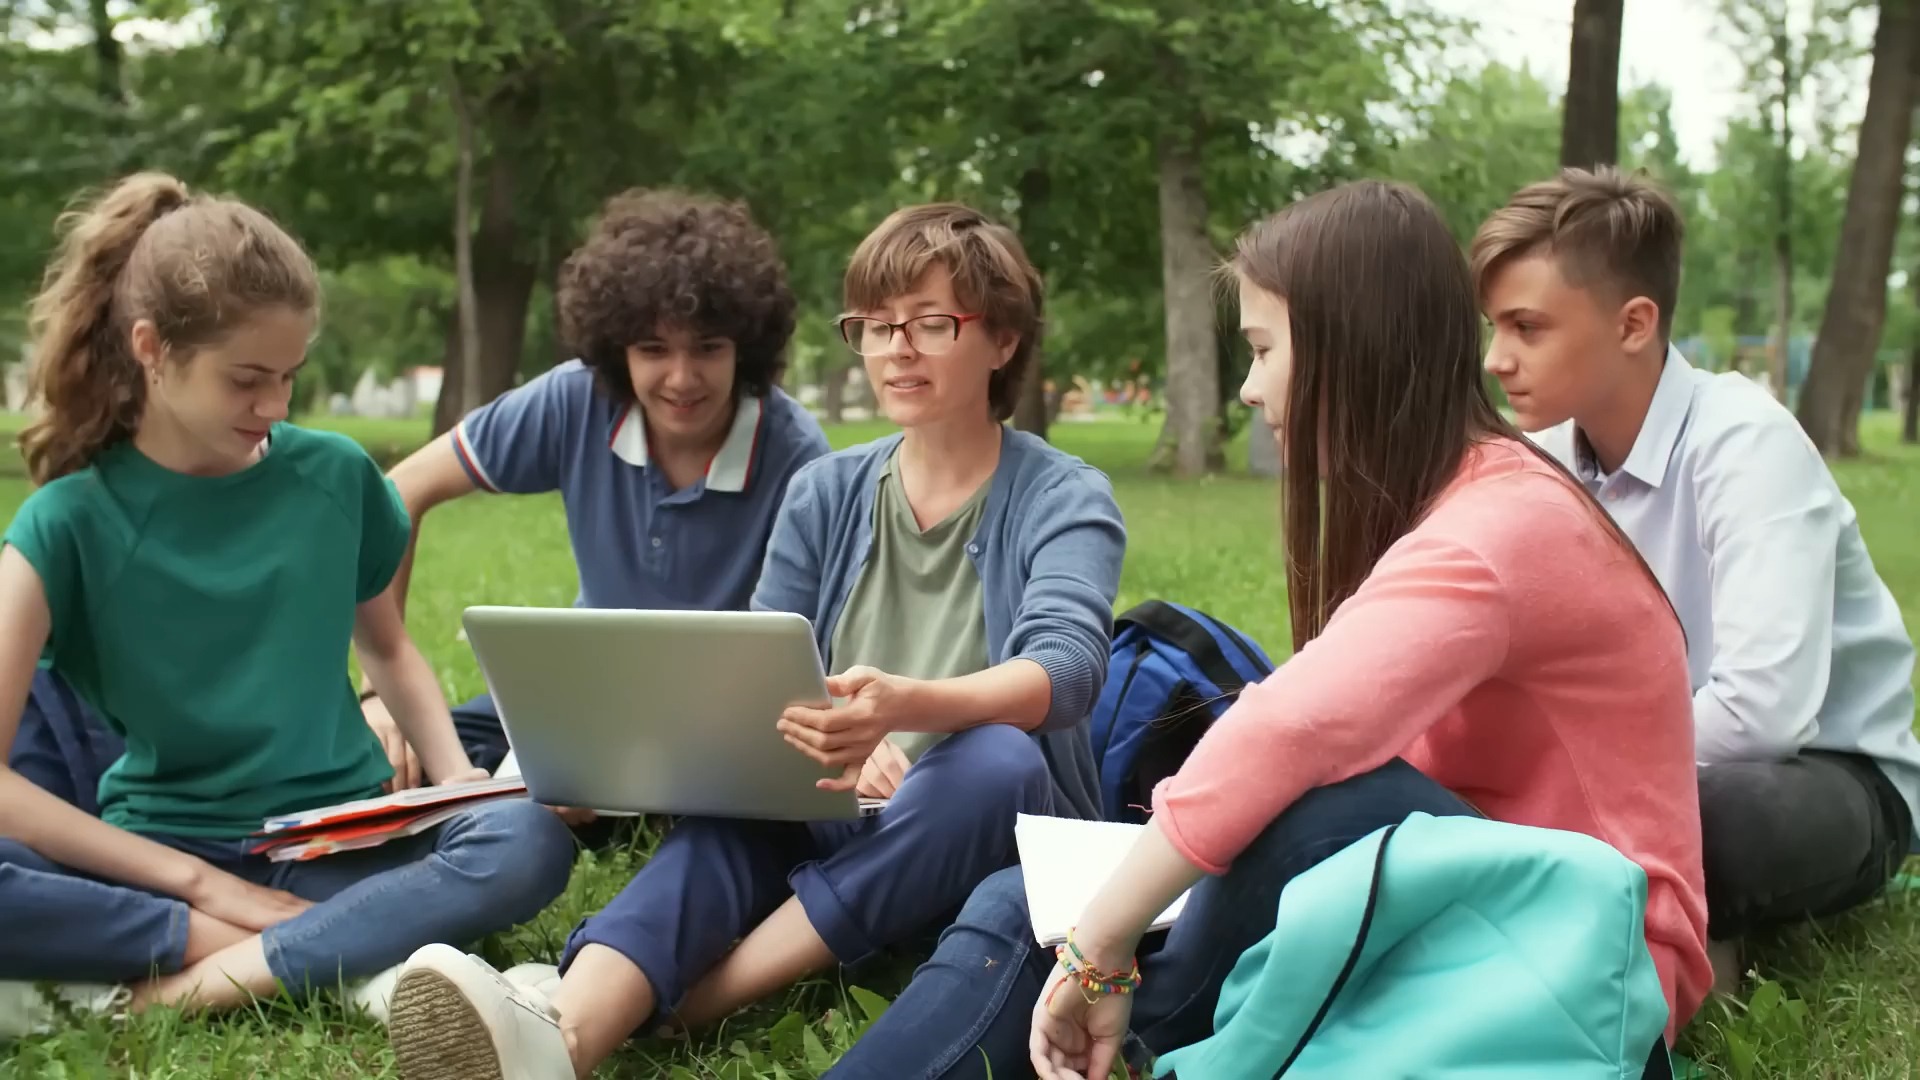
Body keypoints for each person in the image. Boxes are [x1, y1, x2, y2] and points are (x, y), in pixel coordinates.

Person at [815, 180, 1711, 1080]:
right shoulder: (1462, 497)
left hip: (1576, 949)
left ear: (1348, 346)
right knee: (1029, 901)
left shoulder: (1501, 529)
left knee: (1292, 809)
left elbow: (1295, 731)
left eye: (1263, 349)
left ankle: (1133, 1018)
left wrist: (1105, 942)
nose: (1248, 387)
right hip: (1431, 892)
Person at [380, 202, 1128, 1080]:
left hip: (985, 831)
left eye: (932, 324)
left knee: (996, 758)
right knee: (734, 818)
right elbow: (763, 681)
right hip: (844, 810)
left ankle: (690, 1005)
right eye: (876, 326)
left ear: (1002, 340)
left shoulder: (1063, 495)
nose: (897, 349)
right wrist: (827, 739)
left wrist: (904, 709)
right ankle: (564, 1032)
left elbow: (1066, 672)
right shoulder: (826, 490)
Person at [0, 173, 575, 1027]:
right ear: (151, 348)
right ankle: (299, 949)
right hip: (163, 856)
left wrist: (458, 784)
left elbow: (388, 647)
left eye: (289, 378)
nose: (272, 405)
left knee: (524, 841)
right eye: (246, 380)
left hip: (341, 838)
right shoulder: (65, 523)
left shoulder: (334, 476)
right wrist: (202, 890)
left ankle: (185, 988)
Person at [1476, 166, 1920, 984]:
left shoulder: (1746, 445)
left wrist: (1572, 768)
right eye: (1494, 327)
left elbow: (1762, 715)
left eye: (1527, 327)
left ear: (1634, 324)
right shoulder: (1538, 460)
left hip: (1827, 775)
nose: (1496, 360)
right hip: (1634, 762)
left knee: (1718, 821)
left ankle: (1677, 943)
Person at [360, 189, 831, 784]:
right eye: (653, 349)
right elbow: (395, 494)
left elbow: (809, 663)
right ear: (616, 349)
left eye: (708, 348)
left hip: (724, 726)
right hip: (583, 695)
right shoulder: (573, 400)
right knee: (396, 767)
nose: (682, 378)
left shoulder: (799, 458)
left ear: (746, 347)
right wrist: (381, 690)